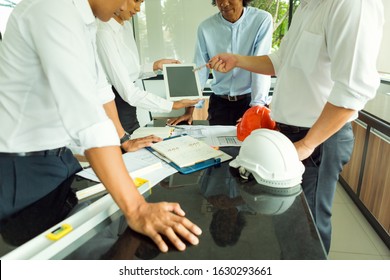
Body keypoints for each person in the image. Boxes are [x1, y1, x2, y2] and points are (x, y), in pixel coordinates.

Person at [0, 0, 201, 253]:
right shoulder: (52, 8)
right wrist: (137, 208)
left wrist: (123, 140)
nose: (132, 5)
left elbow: (100, 89)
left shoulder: (84, 21)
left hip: (58, 162)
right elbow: (86, 116)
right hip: (25, 173)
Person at [207, 0, 384, 253]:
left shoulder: (352, 4)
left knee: (306, 230)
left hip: (316, 139)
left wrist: (306, 145)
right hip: (291, 136)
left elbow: (355, 89)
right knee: (289, 223)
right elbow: (281, 60)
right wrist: (237, 60)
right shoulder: (307, 6)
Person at [96, 0, 200, 134]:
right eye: (136, 1)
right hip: (114, 108)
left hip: (128, 109)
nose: (138, 9)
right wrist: (174, 105)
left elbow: (129, 72)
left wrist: (155, 66)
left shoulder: (126, 26)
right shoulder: (103, 32)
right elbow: (128, 92)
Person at [168, 0, 273, 126]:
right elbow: (199, 69)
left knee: (250, 144)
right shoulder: (206, 27)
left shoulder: (261, 20)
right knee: (215, 144)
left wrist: (256, 108)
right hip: (220, 104)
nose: (223, 3)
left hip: (250, 101)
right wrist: (189, 111)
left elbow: (260, 65)